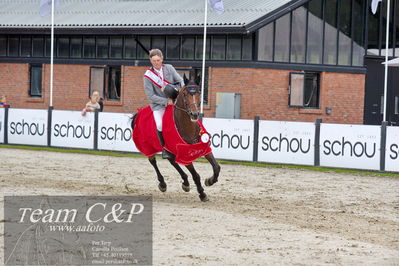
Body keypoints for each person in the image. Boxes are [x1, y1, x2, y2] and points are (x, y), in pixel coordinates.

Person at [143, 49, 184, 159]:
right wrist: (166, 101)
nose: (156, 63)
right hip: (159, 105)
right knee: (160, 124)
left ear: (162, 59)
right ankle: (165, 149)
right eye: (154, 61)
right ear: (150, 61)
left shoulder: (169, 68)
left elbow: (180, 80)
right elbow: (151, 96)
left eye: (158, 60)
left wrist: (183, 89)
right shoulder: (147, 76)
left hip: (174, 101)